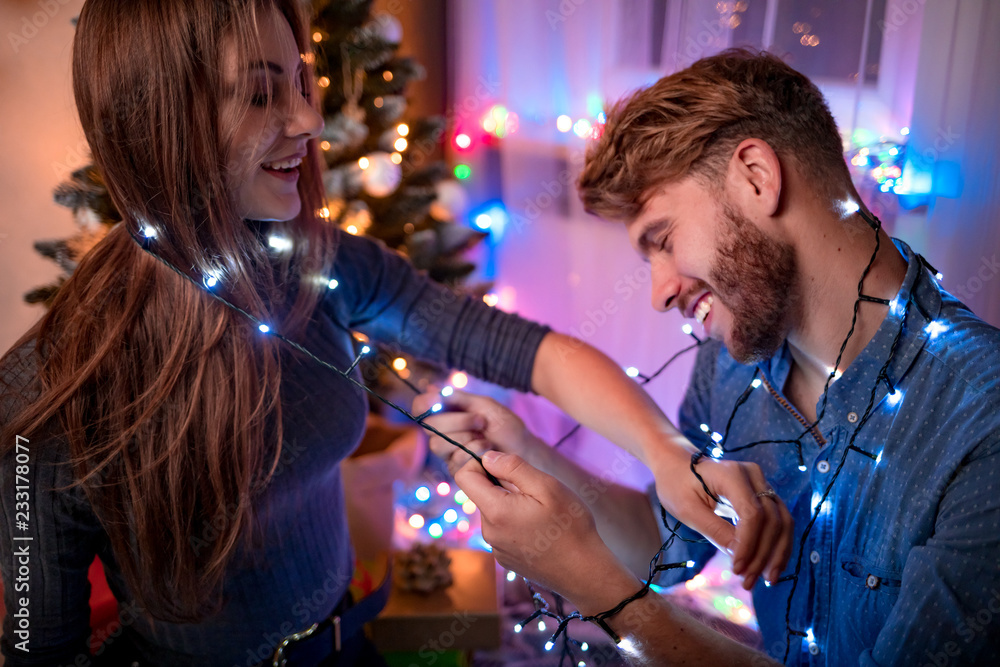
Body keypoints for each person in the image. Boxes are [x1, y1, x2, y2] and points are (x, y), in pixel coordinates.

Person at [0, 4, 792, 666]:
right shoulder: (49, 396)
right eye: (261, 94)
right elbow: (40, 642)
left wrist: (666, 451)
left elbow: (529, 352)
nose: (309, 121)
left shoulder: (321, 267)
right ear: (157, 120)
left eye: (303, 84)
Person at [416, 49, 1000, 666]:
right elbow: (661, 548)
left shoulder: (980, 418)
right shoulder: (734, 365)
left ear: (755, 176)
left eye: (663, 241)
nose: (660, 291)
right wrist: (525, 455)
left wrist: (605, 599)